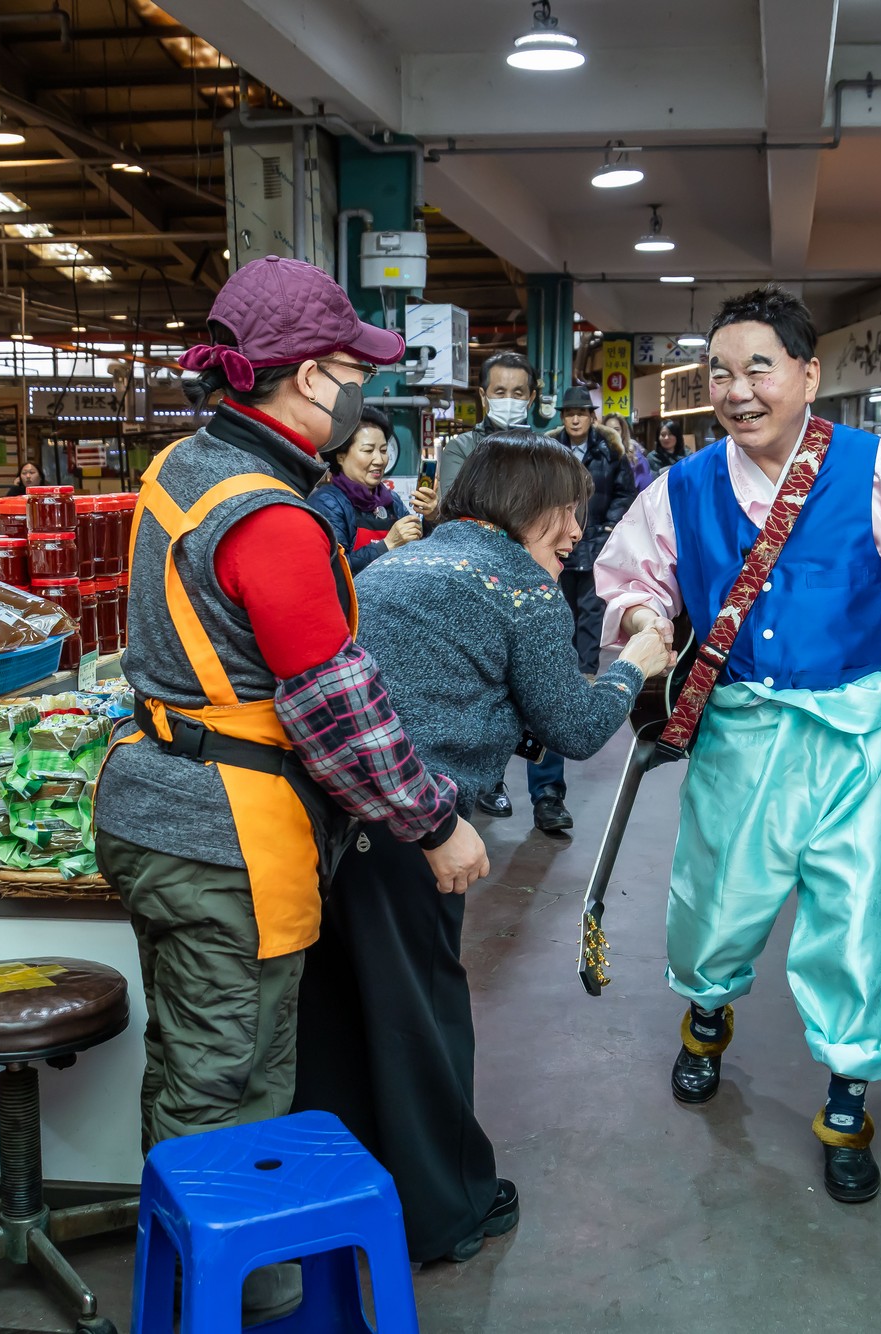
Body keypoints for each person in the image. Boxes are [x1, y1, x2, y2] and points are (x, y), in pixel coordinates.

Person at [92, 254, 488, 1324]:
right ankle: (233, 1299)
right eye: (350, 370)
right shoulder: (268, 516)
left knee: (189, 1057)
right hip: (228, 831)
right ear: (310, 377)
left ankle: (196, 1281)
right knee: (232, 1079)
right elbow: (337, 709)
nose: (359, 392)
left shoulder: (185, 463)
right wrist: (434, 822)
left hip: (155, 803)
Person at [594, 285, 881, 1206]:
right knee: (716, 899)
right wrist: (646, 613)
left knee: (858, 918)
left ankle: (847, 1102)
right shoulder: (684, 485)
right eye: (721, 373)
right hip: (739, 732)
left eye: (759, 368)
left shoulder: (875, 468)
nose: (738, 390)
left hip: (855, 736)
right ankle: (705, 1019)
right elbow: (622, 579)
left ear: (808, 375)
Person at [295, 430, 675, 1264]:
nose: (577, 531)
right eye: (567, 511)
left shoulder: (403, 564)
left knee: (338, 1019)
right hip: (413, 826)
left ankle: (339, 1203)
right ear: (522, 503)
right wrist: (635, 665)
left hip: (328, 820)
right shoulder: (516, 588)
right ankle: (445, 1212)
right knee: (421, 1023)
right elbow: (575, 729)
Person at [525, 383, 639, 834]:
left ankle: (582, 671)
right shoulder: (547, 451)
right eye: (567, 412)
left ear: (590, 415)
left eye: (580, 412)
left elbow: (624, 494)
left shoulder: (610, 451)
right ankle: (502, 785)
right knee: (555, 620)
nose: (573, 419)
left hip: (593, 545)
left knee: (588, 611)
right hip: (548, 553)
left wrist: (607, 527)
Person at [307, 406, 436, 571]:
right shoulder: (327, 503)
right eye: (368, 450)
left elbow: (420, 551)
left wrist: (431, 518)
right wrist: (386, 545)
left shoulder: (391, 500)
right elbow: (335, 568)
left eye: (383, 450)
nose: (379, 460)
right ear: (341, 456)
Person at [438, 351, 538, 500]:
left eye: (518, 393)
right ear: (483, 396)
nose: (509, 400)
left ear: (530, 399)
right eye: (500, 392)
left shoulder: (545, 452)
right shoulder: (461, 449)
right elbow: (454, 506)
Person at [604, 412, 653, 488]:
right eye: (608, 430)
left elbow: (646, 489)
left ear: (623, 432)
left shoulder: (636, 457)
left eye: (616, 429)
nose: (612, 433)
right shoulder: (597, 454)